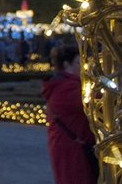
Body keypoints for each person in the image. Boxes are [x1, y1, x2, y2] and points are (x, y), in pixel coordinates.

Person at [42, 45, 97, 184]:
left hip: (69, 146)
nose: (83, 67)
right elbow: (94, 105)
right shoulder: (66, 87)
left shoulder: (64, 84)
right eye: (78, 63)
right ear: (66, 64)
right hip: (72, 150)